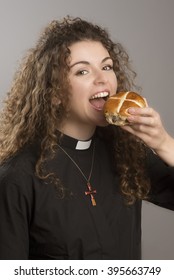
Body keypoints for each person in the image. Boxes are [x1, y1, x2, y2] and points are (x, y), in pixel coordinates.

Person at [0, 16, 174, 260]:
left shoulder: (127, 154)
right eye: (82, 71)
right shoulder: (18, 176)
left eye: (106, 67)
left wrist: (165, 143)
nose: (102, 79)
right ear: (54, 93)